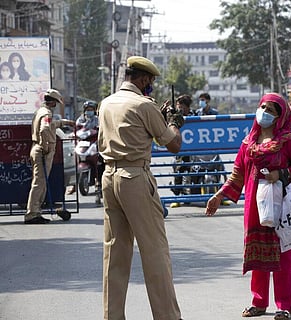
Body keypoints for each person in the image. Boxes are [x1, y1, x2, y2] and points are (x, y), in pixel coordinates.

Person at [205, 93, 291, 320]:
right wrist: (218, 196)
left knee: (284, 255)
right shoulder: (248, 143)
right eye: (263, 107)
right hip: (255, 207)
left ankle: (284, 306)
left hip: (282, 206)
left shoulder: (288, 140)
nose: (265, 113)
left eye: (271, 110)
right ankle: (258, 303)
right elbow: (237, 175)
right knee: (258, 254)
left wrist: (280, 173)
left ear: (280, 116)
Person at [97, 56, 184, 320]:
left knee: (115, 251)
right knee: (155, 249)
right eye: (151, 82)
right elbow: (173, 144)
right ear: (144, 79)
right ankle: (167, 316)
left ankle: (112, 316)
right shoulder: (144, 105)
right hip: (135, 177)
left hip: (109, 176)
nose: (152, 87)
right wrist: (173, 121)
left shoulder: (107, 103)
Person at [25, 89, 74, 224]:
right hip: (42, 150)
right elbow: (45, 129)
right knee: (39, 183)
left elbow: (51, 125)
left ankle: (36, 211)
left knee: (41, 182)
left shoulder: (41, 111)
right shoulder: (46, 113)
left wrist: (65, 122)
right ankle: (32, 214)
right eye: (56, 102)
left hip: (39, 148)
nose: (56, 105)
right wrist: (45, 147)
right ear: (52, 102)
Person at [66, 100, 100, 195]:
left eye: (91, 109)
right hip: (82, 143)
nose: (89, 111)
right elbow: (77, 129)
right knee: (74, 161)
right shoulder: (80, 119)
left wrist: (97, 131)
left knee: (99, 160)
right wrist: (73, 134)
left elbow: (100, 128)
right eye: (87, 109)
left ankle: (98, 181)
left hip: (93, 142)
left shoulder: (97, 119)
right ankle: (74, 185)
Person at [170, 94, 195, 207]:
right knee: (178, 171)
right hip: (180, 149)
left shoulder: (194, 116)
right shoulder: (174, 116)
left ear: (187, 107)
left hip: (193, 151)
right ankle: (176, 197)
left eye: (181, 106)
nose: (179, 108)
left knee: (194, 171)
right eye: (178, 105)